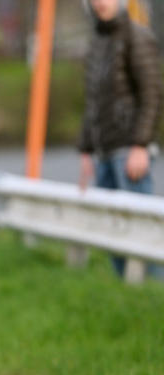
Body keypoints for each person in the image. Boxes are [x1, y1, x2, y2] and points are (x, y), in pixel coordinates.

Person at [77, 0, 162, 276]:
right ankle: (124, 290)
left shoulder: (137, 37)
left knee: (141, 230)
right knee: (110, 228)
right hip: (104, 150)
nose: (101, 2)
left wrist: (140, 145)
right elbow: (93, 101)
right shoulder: (98, 41)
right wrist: (86, 149)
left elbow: (152, 96)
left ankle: (152, 291)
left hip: (129, 150)